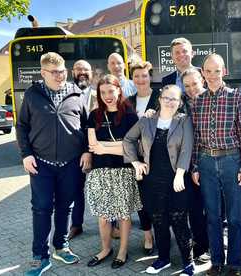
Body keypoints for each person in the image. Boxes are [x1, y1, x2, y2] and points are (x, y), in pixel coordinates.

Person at [17, 52, 91, 276]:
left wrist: (87, 151)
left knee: (65, 206)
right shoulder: (32, 95)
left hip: (70, 163)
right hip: (41, 163)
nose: (60, 76)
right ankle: (40, 257)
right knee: (41, 208)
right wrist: (26, 154)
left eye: (62, 71)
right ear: (43, 73)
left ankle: (61, 246)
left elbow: (87, 125)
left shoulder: (75, 93)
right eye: (55, 72)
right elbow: (21, 127)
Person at [191, 54, 241, 276]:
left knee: (235, 218)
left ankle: (234, 264)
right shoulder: (198, 101)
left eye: (217, 71)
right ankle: (216, 261)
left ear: (224, 71)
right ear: (202, 73)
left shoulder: (236, 97)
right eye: (208, 71)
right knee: (213, 216)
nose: (212, 75)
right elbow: (197, 137)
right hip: (206, 162)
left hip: (231, 161)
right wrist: (195, 166)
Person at [124, 84, 195, 275]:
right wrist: (135, 163)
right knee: (159, 220)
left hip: (176, 179)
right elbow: (128, 140)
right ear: (160, 99)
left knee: (179, 220)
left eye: (174, 99)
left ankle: (188, 262)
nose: (170, 102)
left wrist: (180, 173)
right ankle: (163, 259)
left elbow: (187, 149)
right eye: (167, 98)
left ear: (180, 102)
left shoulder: (184, 121)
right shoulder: (147, 120)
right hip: (151, 180)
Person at [85, 74, 142, 269]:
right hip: (100, 172)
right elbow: (93, 145)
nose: (107, 95)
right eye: (103, 92)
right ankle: (105, 248)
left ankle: (123, 250)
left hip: (123, 171)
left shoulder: (129, 115)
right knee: (103, 216)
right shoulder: (94, 115)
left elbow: (132, 146)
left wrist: (106, 147)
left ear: (119, 90)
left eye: (111, 91)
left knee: (123, 215)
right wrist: (118, 145)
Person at [127, 60, 158, 254]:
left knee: (158, 198)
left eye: (144, 75)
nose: (140, 79)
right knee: (141, 197)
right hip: (136, 158)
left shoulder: (160, 97)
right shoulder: (128, 101)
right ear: (132, 78)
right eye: (136, 76)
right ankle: (147, 234)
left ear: (150, 77)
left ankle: (162, 232)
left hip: (158, 156)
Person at [180, 69, 210, 262]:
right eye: (187, 86)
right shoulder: (181, 104)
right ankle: (201, 245)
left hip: (212, 161)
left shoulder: (212, 100)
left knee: (215, 207)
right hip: (189, 164)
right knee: (195, 207)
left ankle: (215, 242)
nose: (191, 89)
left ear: (203, 81)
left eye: (195, 84)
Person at [68, 59, 96, 240]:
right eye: (78, 69)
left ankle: (113, 225)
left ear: (91, 73)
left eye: (85, 69)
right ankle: (76, 225)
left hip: (100, 149)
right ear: (73, 72)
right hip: (75, 151)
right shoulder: (68, 94)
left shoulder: (100, 94)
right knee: (76, 189)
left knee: (105, 187)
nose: (82, 72)